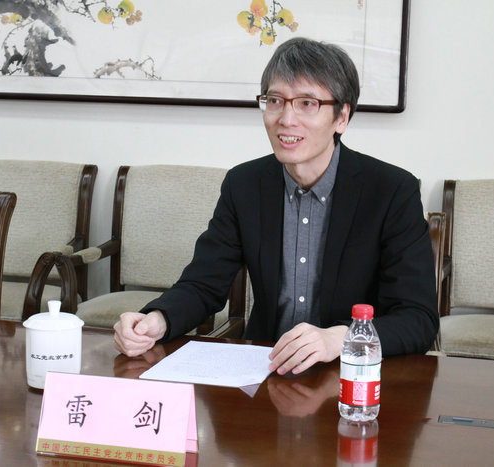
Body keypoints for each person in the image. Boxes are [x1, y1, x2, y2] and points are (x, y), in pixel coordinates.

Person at [114, 37, 438, 375]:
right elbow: (204, 284)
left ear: (341, 117)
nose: (286, 118)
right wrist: (157, 320)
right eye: (275, 101)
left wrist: (338, 338)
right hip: (266, 369)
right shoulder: (244, 184)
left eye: (307, 103)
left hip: (354, 375)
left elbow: (418, 317)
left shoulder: (391, 191)